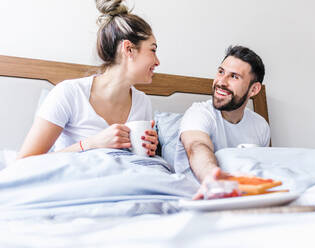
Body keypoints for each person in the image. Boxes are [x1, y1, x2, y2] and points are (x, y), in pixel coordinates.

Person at [18, 0, 160, 159]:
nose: (157, 62)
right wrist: (91, 144)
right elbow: (25, 161)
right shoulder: (69, 94)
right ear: (129, 49)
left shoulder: (143, 103)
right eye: (153, 50)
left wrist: (149, 149)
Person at [173, 45, 270, 198]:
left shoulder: (260, 126)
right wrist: (212, 179)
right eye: (221, 72)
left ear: (254, 90)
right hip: (196, 197)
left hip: (242, 197)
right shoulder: (199, 113)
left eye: (234, 76)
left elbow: (261, 171)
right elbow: (197, 146)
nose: (221, 82)